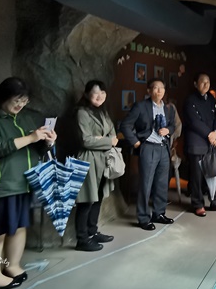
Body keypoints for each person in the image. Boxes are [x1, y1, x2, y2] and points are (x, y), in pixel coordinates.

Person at [0, 77, 57, 289]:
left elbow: (35, 150)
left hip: (24, 182)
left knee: (19, 227)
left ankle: (12, 266)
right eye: (17, 99)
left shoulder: (28, 117)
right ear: (3, 96)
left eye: (25, 101)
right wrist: (31, 137)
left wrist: (46, 142)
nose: (20, 105)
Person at [121, 78, 181, 231]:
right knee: (146, 184)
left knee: (162, 184)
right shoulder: (141, 106)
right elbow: (125, 125)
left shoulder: (169, 108)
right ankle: (143, 217)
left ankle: (159, 213)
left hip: (163, 148)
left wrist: (168, 130)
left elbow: (173, 125)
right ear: (149, 91)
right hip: (148, 147)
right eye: (155, 88)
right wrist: (135, 142)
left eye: (161, 88)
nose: (159, 91)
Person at [73, 80, 119, 252]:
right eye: (95, 93)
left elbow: (113, 134)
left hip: (103, 158)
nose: (100, 96)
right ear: (86, 94)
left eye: (103, 93)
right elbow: (86, 140)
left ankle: (92, 232)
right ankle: (82, 238)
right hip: (88, 160)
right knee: (86, 200)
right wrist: (107, 140)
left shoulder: (103, 112)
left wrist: (102, 140)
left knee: (98, 197)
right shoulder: (82, 113)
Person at [184, 73, 216, 216]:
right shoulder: (189, 100)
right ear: (195, 84)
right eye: (202, 82)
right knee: (197, 177)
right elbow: (194, 121)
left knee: (214, 173)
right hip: (197, 142)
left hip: (211, 142)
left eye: (208, 82)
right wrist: (209, 134)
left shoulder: (211, 99)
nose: (206, 84)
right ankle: (198, 204)